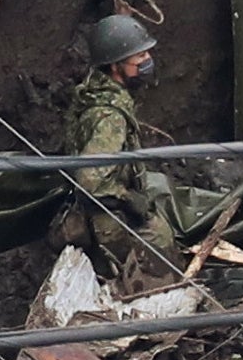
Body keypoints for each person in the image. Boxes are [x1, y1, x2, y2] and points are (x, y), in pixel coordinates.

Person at [55, 14, 174, 266]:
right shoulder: (109, 117)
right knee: (160, 242)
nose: (147, 61)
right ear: (115, 65)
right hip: (108, 222)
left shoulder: (94, 92)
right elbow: (90, 181)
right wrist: (130, 201)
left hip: (100, 214)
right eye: (139, 57)